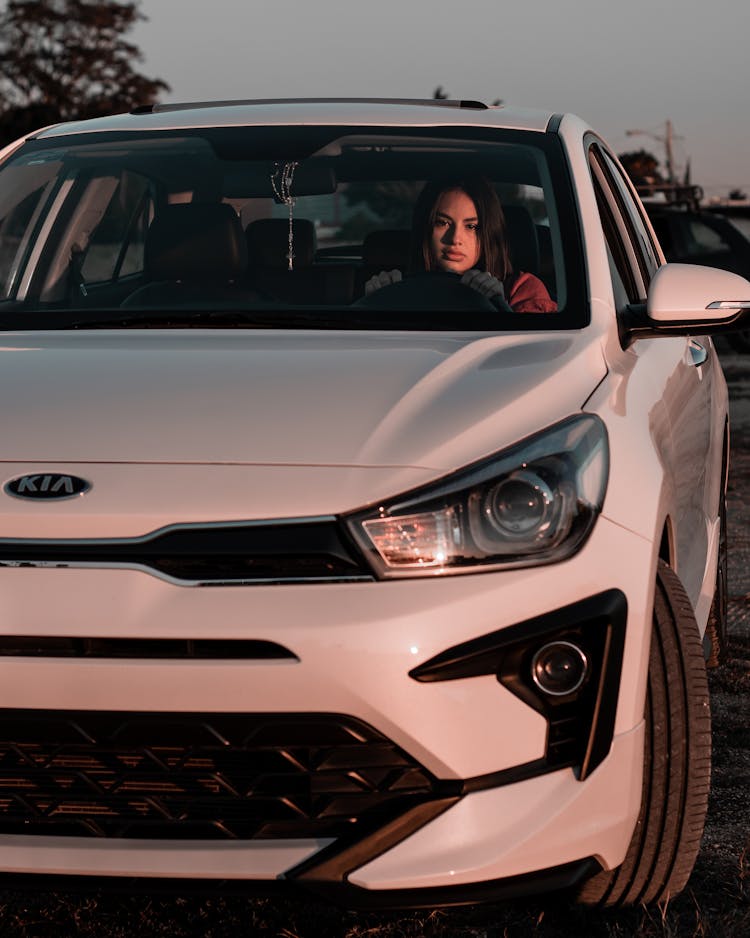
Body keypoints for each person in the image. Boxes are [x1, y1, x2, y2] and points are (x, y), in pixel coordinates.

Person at [365, 176, 557, 313]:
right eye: (443, 223)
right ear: (426, 228)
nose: (455, 238)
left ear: (489, 232)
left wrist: (500, 307)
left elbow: (531, 360)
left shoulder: (521, 289)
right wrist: (375, 305)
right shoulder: (397, 288)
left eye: (471, 226)